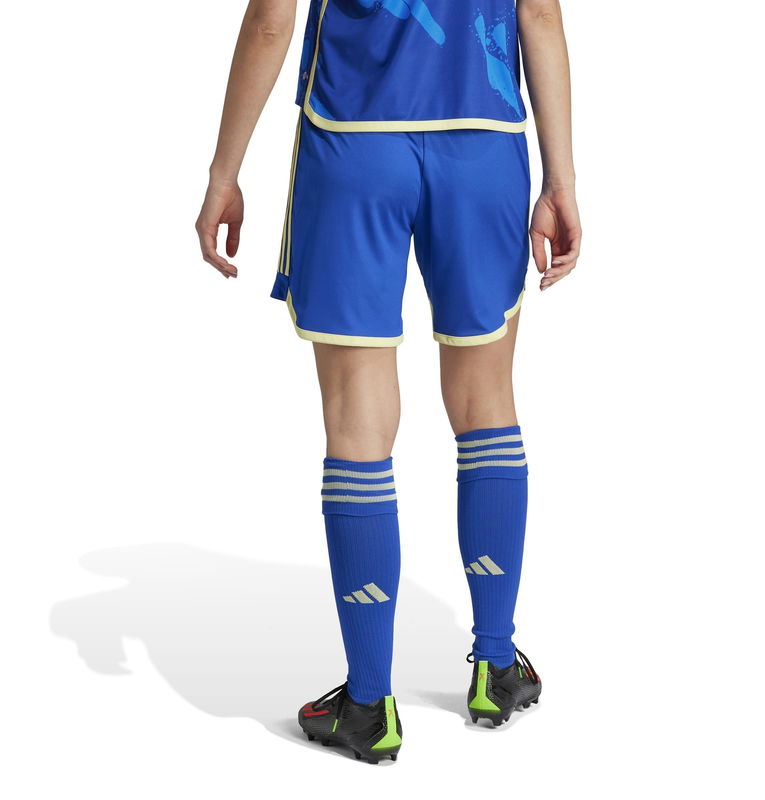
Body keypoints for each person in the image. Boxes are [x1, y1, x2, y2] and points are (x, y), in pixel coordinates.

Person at [196, 0, 581, 764]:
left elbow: (272, 20)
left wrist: (223, 173)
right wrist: (561, 179)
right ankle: (496, 666)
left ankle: (370, 704)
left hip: (353, 143)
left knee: (357, 422)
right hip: (484, 146)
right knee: (486, 403)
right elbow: (538, 12)